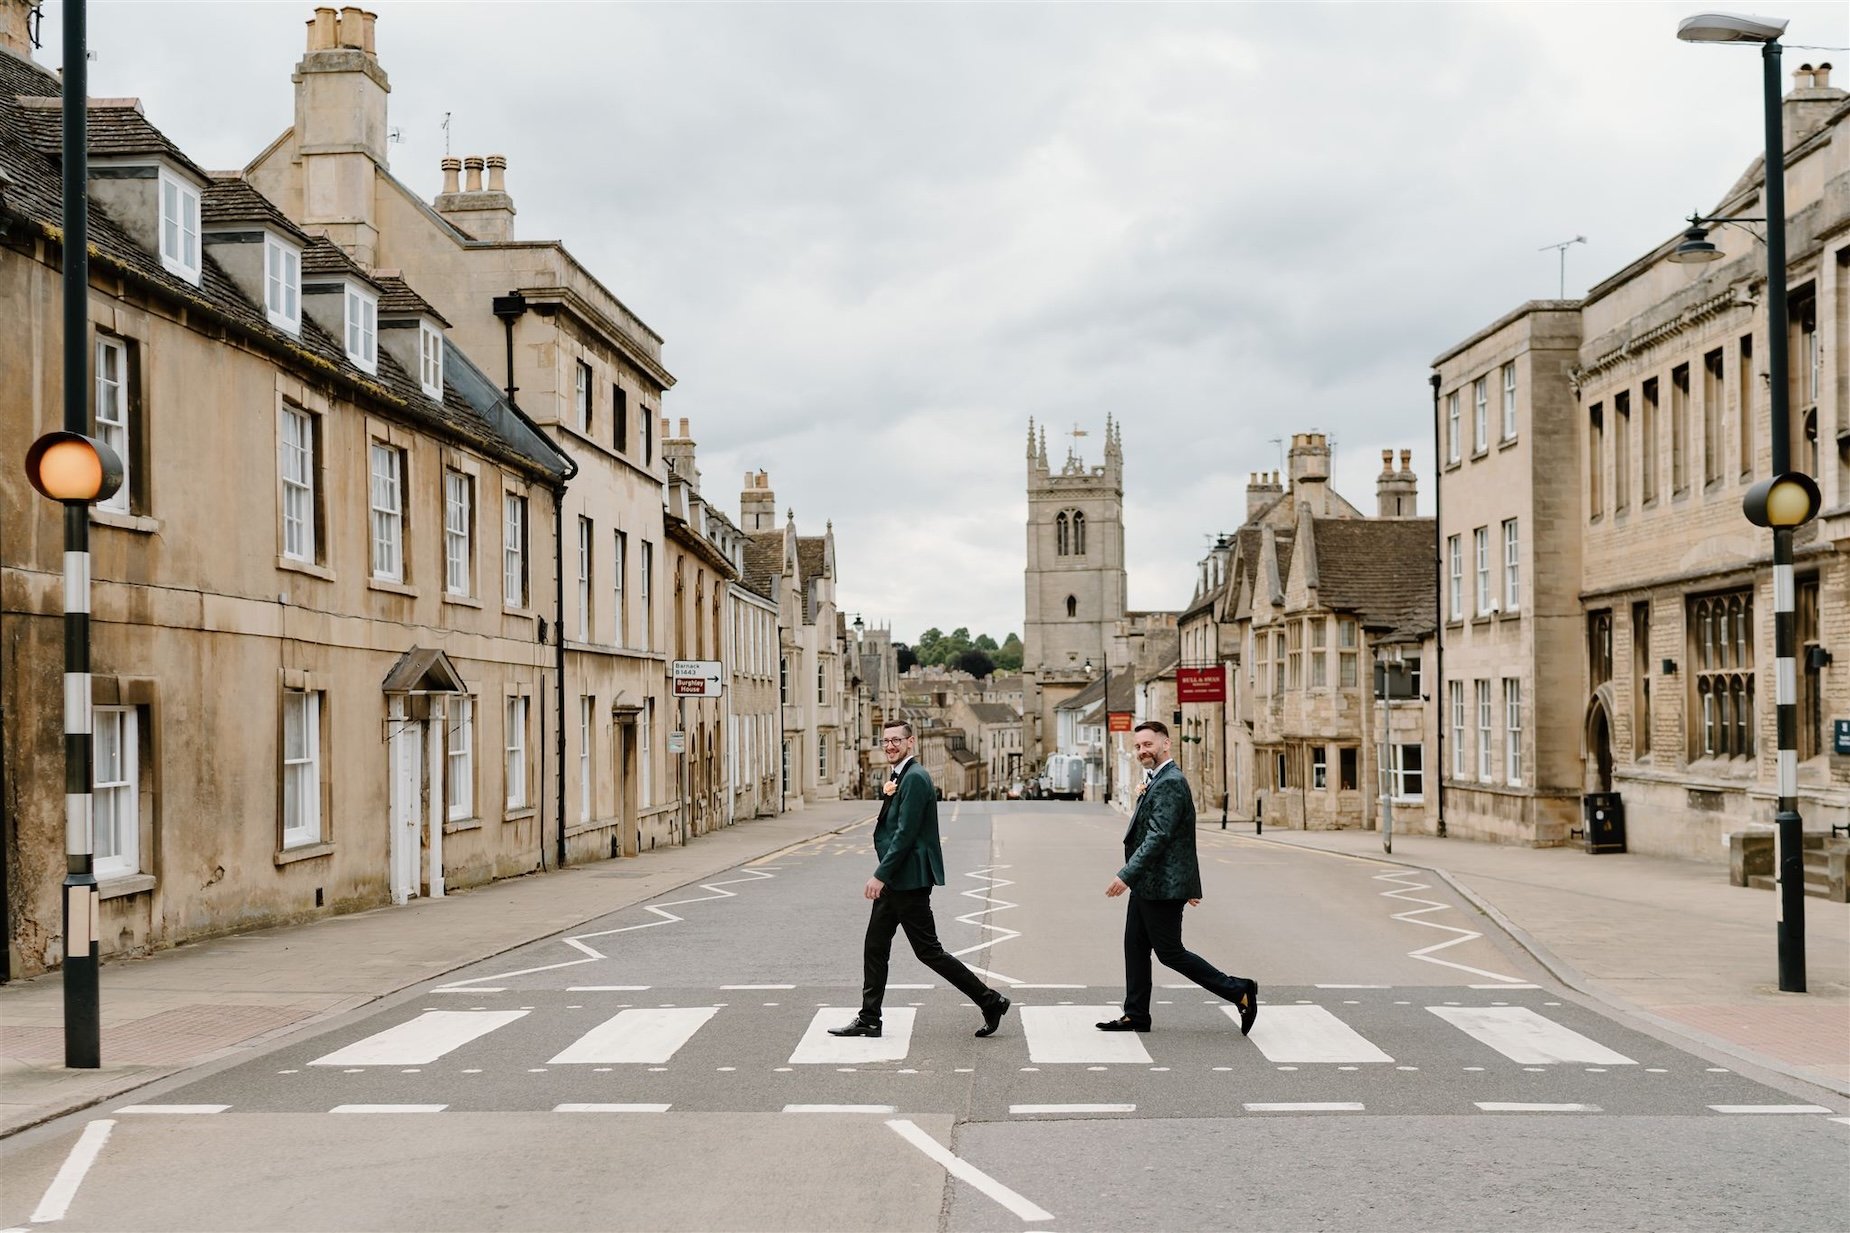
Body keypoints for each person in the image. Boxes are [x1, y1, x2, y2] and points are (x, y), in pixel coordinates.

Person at [829, 720, 1012, 1040]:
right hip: (900, 879)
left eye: (896, 740)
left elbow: (905, 834)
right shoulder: (901, 775)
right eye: (885, 741)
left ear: (910, 742)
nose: (889, 746)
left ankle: (990, 1000)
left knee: (927, 951)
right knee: (876, 946)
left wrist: (879, 875)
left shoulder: (914, 777)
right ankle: (869, 1017)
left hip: (907, 880)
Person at [1098, 719, 1258, 1036]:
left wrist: (1126, 875)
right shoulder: (1158, 779)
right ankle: (1136, 1015)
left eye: (1148, 744)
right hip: (1152, 884)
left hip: (1159, 886)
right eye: (1138, 746)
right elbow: (1179, 838)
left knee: (1170, 952)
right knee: (1135, 946)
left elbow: (1159, 837)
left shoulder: (1170, 781)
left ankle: (1239, 990)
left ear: (1165, 744)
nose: (1143, 750)